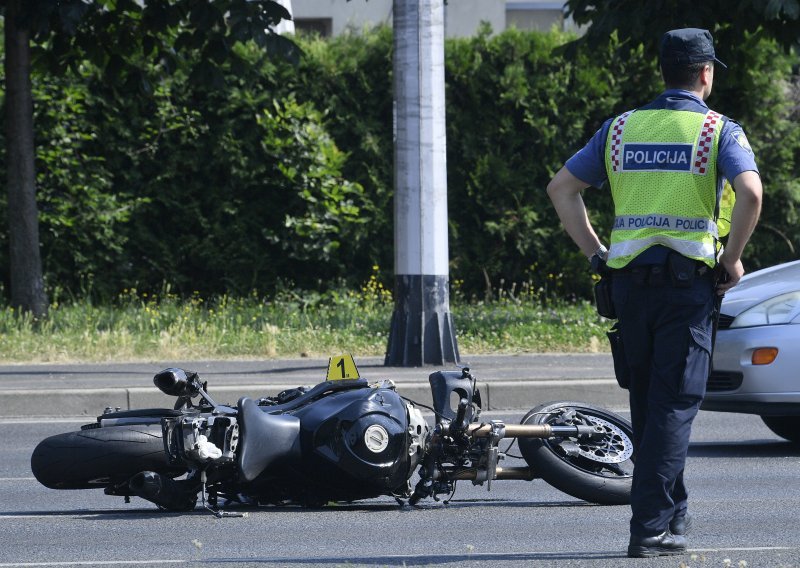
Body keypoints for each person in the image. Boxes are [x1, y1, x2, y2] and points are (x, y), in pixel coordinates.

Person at [546, 28, 762, 558]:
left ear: (663, 70)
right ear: (705, 73)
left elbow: (562, 188)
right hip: (687, 289)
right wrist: (731, 259)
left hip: (628, 288)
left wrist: (596, 252)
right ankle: (649, 527)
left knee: (647, 405)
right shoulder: (717, 130)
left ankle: (674, 515)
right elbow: (752, 192)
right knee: (675, 405)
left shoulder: (620, 130)